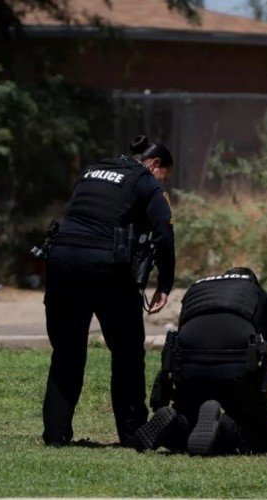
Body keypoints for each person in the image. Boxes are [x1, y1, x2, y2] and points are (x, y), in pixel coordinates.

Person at [41, 135, 176, 447]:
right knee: (128, 352)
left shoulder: (91, 171)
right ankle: (133, 434)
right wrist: (165, 283)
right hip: (106, 268)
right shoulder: (145, 180)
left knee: (67, 352)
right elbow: (164, 233)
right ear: (154, 164)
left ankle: (55, 434)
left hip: (60, 263)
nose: (162, 182)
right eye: (164, 176)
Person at [134, 267, 267, 455]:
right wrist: (264, 390)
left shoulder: (196, 291)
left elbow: (184, 338)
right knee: (262, 437)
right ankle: (225, 427)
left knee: (190, 418)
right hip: (235, 374)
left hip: (189, 372)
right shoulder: (258, 293)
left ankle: (176, 424)